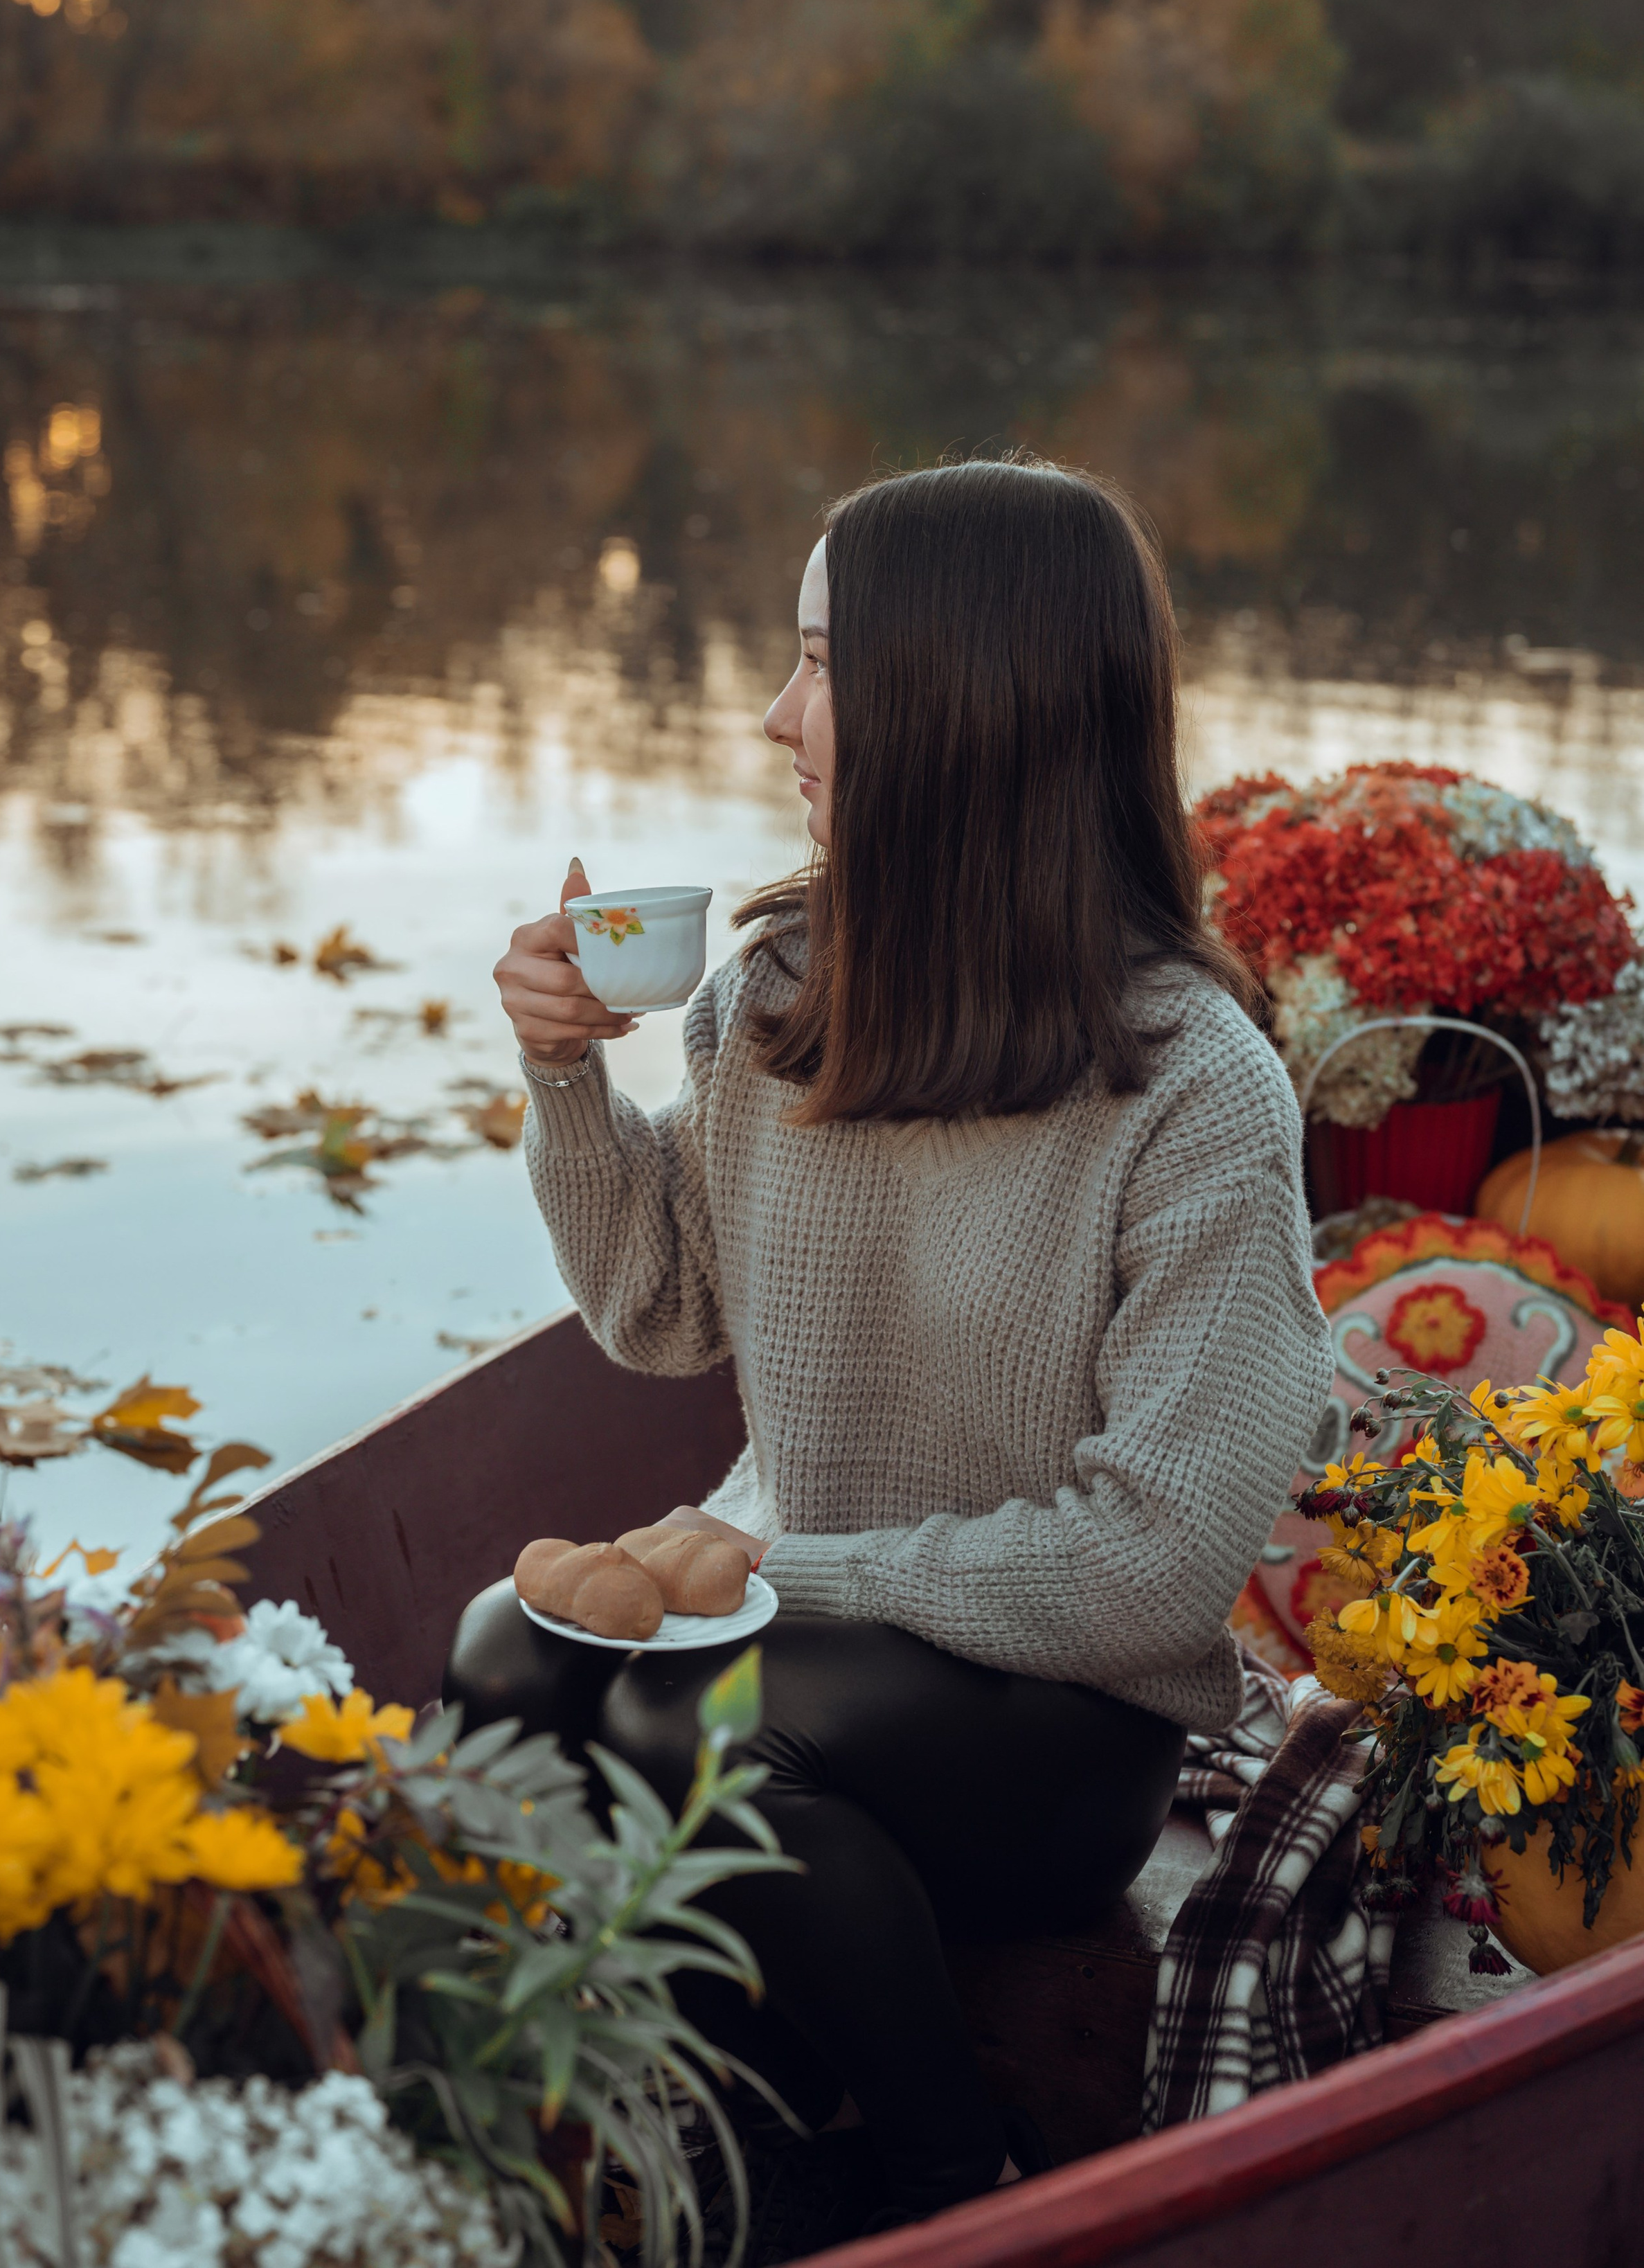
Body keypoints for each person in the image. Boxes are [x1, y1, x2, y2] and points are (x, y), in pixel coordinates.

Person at [459, 459, 1332, 2226]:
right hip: (804, 1628)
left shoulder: (1195, 1087)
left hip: (1058, 1714)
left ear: (959, 699)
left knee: (700, 1715)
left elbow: (1154, 1571)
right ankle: (665, 2111)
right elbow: (655, 1314)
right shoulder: (768, 997)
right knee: (502, 1661)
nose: (777, 714)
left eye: (819, 666)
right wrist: (567, 1075)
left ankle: (950, 2188)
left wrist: (779, 1557)